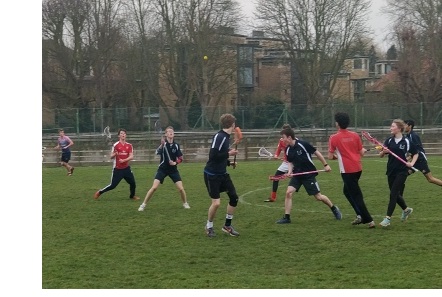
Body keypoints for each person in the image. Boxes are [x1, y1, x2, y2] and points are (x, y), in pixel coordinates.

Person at [276, 128, 342, 224]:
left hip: (308, 175)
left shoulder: (303, 144)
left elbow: (316, 152)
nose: (282, 140)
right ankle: (287, 218)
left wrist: (325, 165)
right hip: (297, 174)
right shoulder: (288, 149)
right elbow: (290, 162)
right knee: (289, 193)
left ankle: (333, 208)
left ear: (289, 137)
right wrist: (290, 171)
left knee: (318, 197)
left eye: (283, 137)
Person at [328, 112, 375, 228]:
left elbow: (330, 156)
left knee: (356, 196)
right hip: (358, 168)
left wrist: (337, 157)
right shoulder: (355, 135)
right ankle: (360, 214)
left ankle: (369, 220)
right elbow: (361, 152)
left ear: (337, 123)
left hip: (347, 171)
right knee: (347, 191)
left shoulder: (333, 138)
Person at [204, 113, 240, 237]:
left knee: (234, 198)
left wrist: (229, 163)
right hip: (212, 174)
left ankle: (227, 226)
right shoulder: (220, 137)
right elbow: (213, 156)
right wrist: (229, 153)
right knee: (216, 203)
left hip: (222, 174)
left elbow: (221, 156)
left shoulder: (226, 137)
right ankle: (209, 227)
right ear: (232, 124)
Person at [138, 126, 190, 211]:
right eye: (169, 131)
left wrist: (175, 163)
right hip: (162, 169)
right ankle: (143, 205)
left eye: (172, 131)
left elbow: (180, 158)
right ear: (166, 134)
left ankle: (185, 203)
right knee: (154, 187)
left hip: (173, 170)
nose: (171, 132)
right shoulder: (163, 144)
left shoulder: (176, 145)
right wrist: (162, 145)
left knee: (181, 189)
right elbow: (156, 152)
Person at [378, 119, 418, 227]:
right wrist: (384, 151)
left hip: (402, 171)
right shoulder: (389, 141)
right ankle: (406, 209)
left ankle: (387, 218)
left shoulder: (407, 141)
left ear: (399, 128)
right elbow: (380, 155)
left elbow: (415, 153)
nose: (390, 128)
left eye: (392, 126)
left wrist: (412, 163)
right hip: (391, 171)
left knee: (393, 194)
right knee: (396, 194)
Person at [94, 128, 140, 201]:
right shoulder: (115, 145)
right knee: (113, 186)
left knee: (133, 183)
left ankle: (132, 196)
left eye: (124, 133)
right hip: (118, 169)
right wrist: (115, 153)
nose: (123, 135)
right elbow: (111, 156)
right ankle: (100, 192)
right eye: (121, 133)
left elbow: (131, 156)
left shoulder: (129, 145)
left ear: (126, 135)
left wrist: (124, 160)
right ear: (119, 136)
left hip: (126, 168)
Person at [404, 119, 442, 186]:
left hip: (420, 160)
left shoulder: (413, 136)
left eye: (405, 125)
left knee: (430, 179)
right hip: (415, 160)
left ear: (410, 126)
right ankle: (397, 193)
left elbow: (417, 151)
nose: (403, 126)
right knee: (402, 174)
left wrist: (408, 158)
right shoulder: (407, 136)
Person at [264, 124, 292, 202]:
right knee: (276, 177)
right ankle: (273, 197)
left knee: (301, 178)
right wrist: (276, 155)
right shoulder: (281, 140)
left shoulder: (293, 141)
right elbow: (279, 149)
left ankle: (316, 193)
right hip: (286, 163)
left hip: (294, 163)